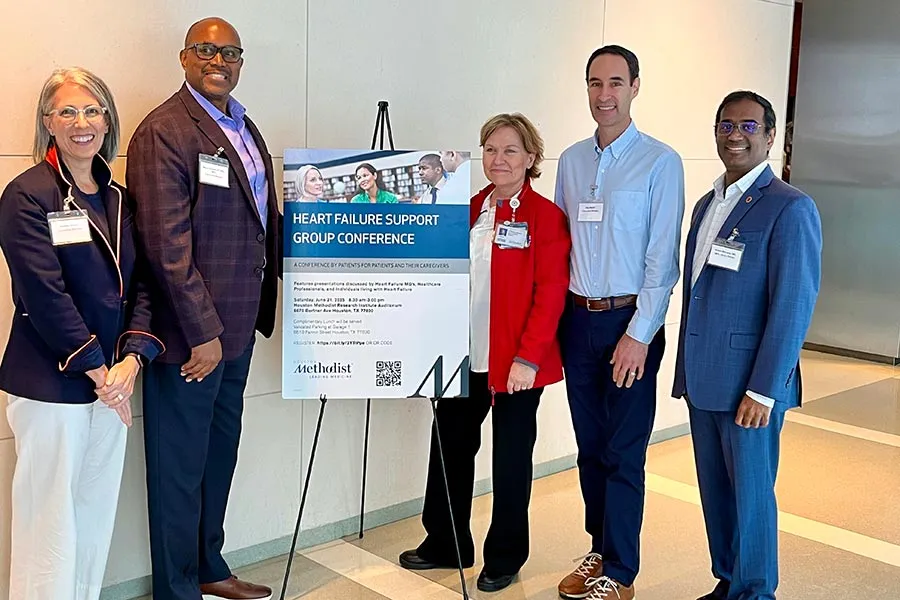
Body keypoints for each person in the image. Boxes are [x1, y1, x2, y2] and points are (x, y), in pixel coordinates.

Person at [126, 17, 280, 600]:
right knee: (178, 466)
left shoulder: (242, 123)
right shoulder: (164, 130)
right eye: (207, 51)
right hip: (192, 339)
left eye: (232, 52)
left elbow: (258, 220)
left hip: (238, 330)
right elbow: (166, 247)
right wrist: (204, 332)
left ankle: (210, 567)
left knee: (218, 455)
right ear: (185, 57)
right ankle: (177, 587)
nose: (221, 61)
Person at [0, 67, 164, 600]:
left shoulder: (120, 198)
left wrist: (131, 362)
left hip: (112, 384)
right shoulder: (27, 195)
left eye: (92, 110)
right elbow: (45, 294)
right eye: (67, 111)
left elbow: (143, 285)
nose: (81, 122)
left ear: (108, 120)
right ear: (48, 121)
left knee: (93, 516)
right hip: (54, 384)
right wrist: (100, 370)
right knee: (49, 524)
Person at [398, 113, 571, 593]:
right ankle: (446, 543)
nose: (499, 159)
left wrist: (529, 358)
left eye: (511, 150)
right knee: (449, 448)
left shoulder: (545, 217)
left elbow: (551, 291)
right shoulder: (470, 207)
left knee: (511, 459)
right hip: (462, 354)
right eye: (491, 149)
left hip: (516, 362)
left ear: (530, 159)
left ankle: (505, 555)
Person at [673, 91, 822, 600]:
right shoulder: (707, 203)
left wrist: (764, 389)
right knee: (716, 493)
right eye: (725, 125)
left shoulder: (790, 208)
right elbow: (698, 292)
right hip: (704, 376)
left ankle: (756, 592)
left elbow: (793, 305)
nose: (735, 135)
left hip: (750, 388)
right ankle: (729, 581)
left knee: (752, 497)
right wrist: (684, 374)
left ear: (770, 135)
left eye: (748, 126)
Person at [555, 45, 685, 600]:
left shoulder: (661, 161)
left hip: (629, 325)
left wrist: (640, 334)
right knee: (590, 447)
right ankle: (598, 547)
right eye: (594, 83)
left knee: (624, 451)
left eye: (614, 83)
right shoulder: (570, 160)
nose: (603, 95)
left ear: (635, 87)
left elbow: (664, 260)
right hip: (577, 321)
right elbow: (561, 245)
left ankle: (621, 571)